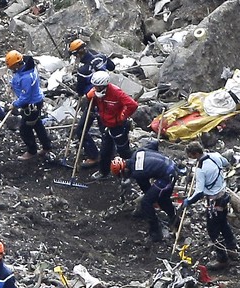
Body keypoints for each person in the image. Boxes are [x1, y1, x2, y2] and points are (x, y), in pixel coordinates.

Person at [182, 142, 238, 270]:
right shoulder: (215, 156)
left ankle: (222, 259)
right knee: (223, 224)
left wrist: (189, 201)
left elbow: (199, 192)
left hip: (214, 202)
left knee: (213, 231)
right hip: (224, 196)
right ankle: (231, 248)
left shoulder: (201, 169)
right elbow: (226, 163)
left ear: (195, 154)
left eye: (191, 155)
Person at [110, 138, 178, 242]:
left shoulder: (138, 172)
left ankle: (155, 233)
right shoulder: (137, 153)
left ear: (125, 169)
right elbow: (154, 143)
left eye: (122, 174)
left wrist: (149, 203)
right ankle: (174, 218)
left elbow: (146, 188)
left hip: (167, 176)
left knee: (147, 202)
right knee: (161, 198)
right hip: (170, 165)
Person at [69, 39, 116, 168]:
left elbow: (79, 89)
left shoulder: (83, 70)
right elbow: (112, 67)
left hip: (93, 102)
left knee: (81, 130)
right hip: (107, 98)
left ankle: (94, 156)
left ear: (78, 54)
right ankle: (111, 156)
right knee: (105, 130)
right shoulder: (100, 57)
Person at [86, 71, 137, 180]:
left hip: (118, 126)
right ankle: (104, 172)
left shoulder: (116, 92)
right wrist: (90, 99)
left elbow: (132, 104)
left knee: (124, 150)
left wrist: (121, 117)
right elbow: (92, 101)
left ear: (104, 85)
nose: (96, 88)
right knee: (105, 150)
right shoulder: (96, 93)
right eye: (95, 86)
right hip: (106, 124)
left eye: (98, 87)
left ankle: (130, 172)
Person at [5, 50, 53, 161]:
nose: (12, 70)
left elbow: (25, 96)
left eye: (12, 67)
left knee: (25, 129)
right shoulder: (26, 67)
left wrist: (15, 105)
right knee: (37, 124)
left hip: (32, 105)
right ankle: (47, 146)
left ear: (17, 64)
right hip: (35, 101)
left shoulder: (27, 77)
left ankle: (32, 151)